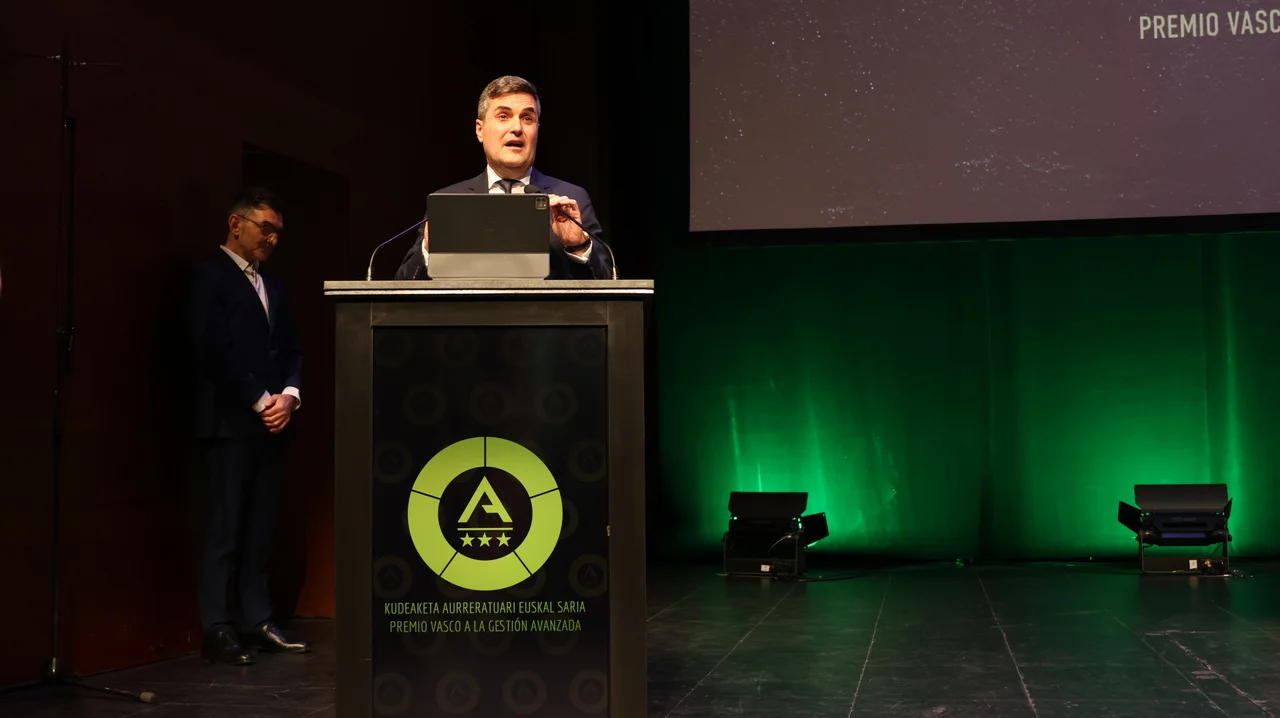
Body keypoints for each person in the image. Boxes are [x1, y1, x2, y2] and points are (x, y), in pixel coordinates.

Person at [187, 186, 309, 665]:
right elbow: (212, 348)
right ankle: (217, 628)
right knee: (224, 529)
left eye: (278, 232)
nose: (272, 239)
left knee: (260, 528)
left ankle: (256, 620)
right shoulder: (209, 276)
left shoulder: (272, 284)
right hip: (228, 423)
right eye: (265, 229)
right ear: (236, 224)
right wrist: (260, 400)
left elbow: (291, 348)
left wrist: (289, 397)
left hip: (271, 425)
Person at [394, 75, 615, 280]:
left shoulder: (571, 198)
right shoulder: (447, 201)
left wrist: (578, 246)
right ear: (479, 130)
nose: (517, 128)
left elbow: (608, 284)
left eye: (527, 118)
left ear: (537, 129)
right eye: (503, 116)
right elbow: (402, 287)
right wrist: (428, 250)